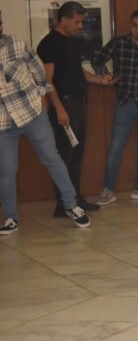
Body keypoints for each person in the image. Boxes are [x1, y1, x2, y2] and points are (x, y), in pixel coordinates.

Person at [0, 13, 92, 233]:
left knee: (52, 158)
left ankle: (71, 205)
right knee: (6, 170)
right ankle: (11, 217)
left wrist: (43, 94)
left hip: (32, 112)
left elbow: (38, 68)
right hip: (3, 122)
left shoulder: (16, 43)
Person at [37, 1, 114, 215]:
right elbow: (47, 81)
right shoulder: (49, 44)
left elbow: (77, 71)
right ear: (63, 20)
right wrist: (59, 109)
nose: (80, 26)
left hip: (80, 102)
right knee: (64, 154)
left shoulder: (72, 41)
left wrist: (100, 80)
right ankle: (64, 203)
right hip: (64, 104)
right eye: (77, 22)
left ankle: (75, 198)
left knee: (77, 152)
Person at [91, 9, 138, 203]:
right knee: (116, 146)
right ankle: (108, 189)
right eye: (134, 26)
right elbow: (98, 59)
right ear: (130, 26)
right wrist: (105, 75)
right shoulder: (119, 43)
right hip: (124, 101)